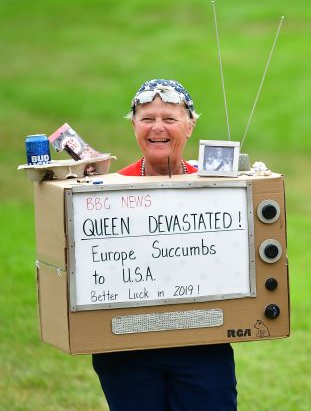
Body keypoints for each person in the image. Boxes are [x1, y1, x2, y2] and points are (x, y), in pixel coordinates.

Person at [92, 79, 237, 410]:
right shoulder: (104, 192)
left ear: (189, 126)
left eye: (169, 119)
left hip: (202, 344)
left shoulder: (219, 188)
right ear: (133, 125)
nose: (158, 128)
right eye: (147, 119)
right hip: (127, 348)